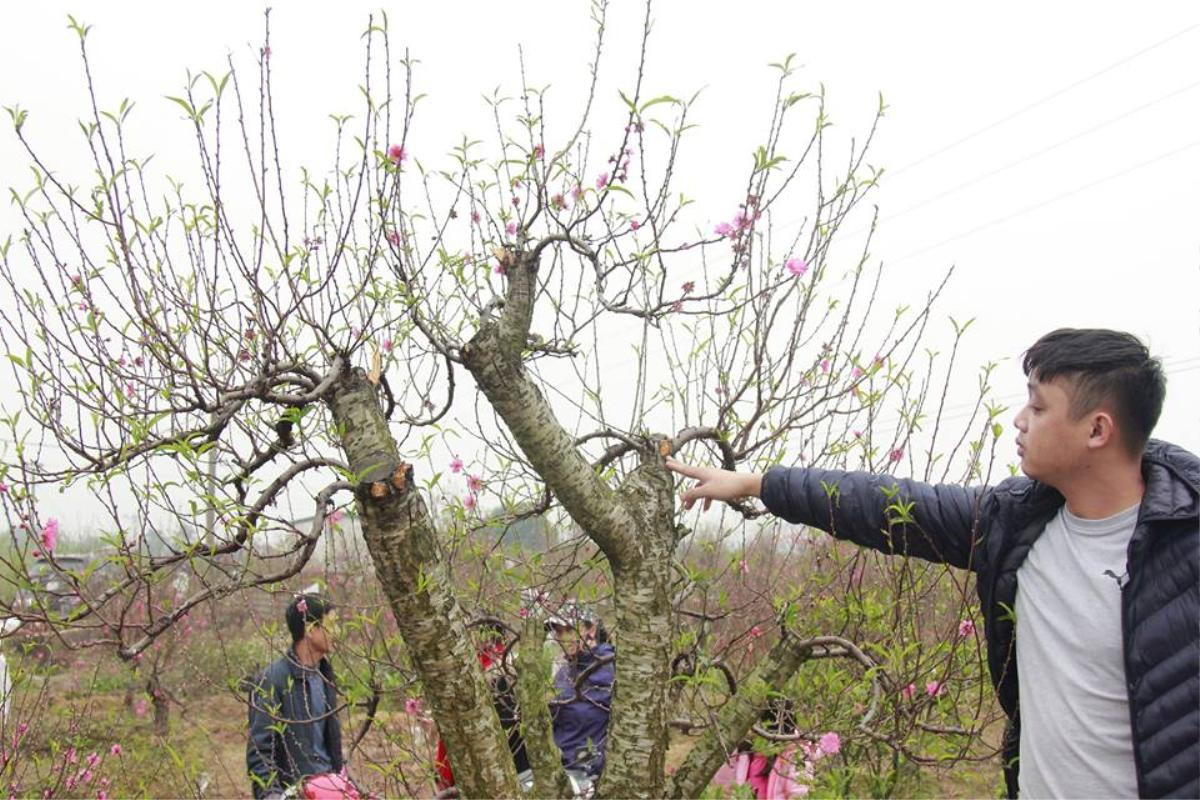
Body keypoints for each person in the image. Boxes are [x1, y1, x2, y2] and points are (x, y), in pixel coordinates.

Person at [667, 329, 1198, 799]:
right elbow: (888, 504)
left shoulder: (1187, 550)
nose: (1019, 419)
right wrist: (761, 484)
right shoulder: (1015, 525)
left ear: (1097, 430)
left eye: (1038, 408)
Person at [247, 593, 347, 799]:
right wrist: (272, 796)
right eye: (332, 624)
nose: (338, 632)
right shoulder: (272, 680)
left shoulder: (326, 675)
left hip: (330, 789)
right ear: (311, 630)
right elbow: (260, 753)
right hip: (297, 792)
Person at [434, 619, 529, 793]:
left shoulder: (471, 675)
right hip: (524, 770)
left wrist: (444, 775)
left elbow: (452, 734)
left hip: (484, 776)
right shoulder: (519, 668)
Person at [548, 602, 614, 779]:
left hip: (595, 773)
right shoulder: (563, 672)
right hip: (564, 772)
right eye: (559, 631)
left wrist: (599, 766)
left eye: (569, 629)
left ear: (590, 630)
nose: (563, 637)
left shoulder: (610, 667)